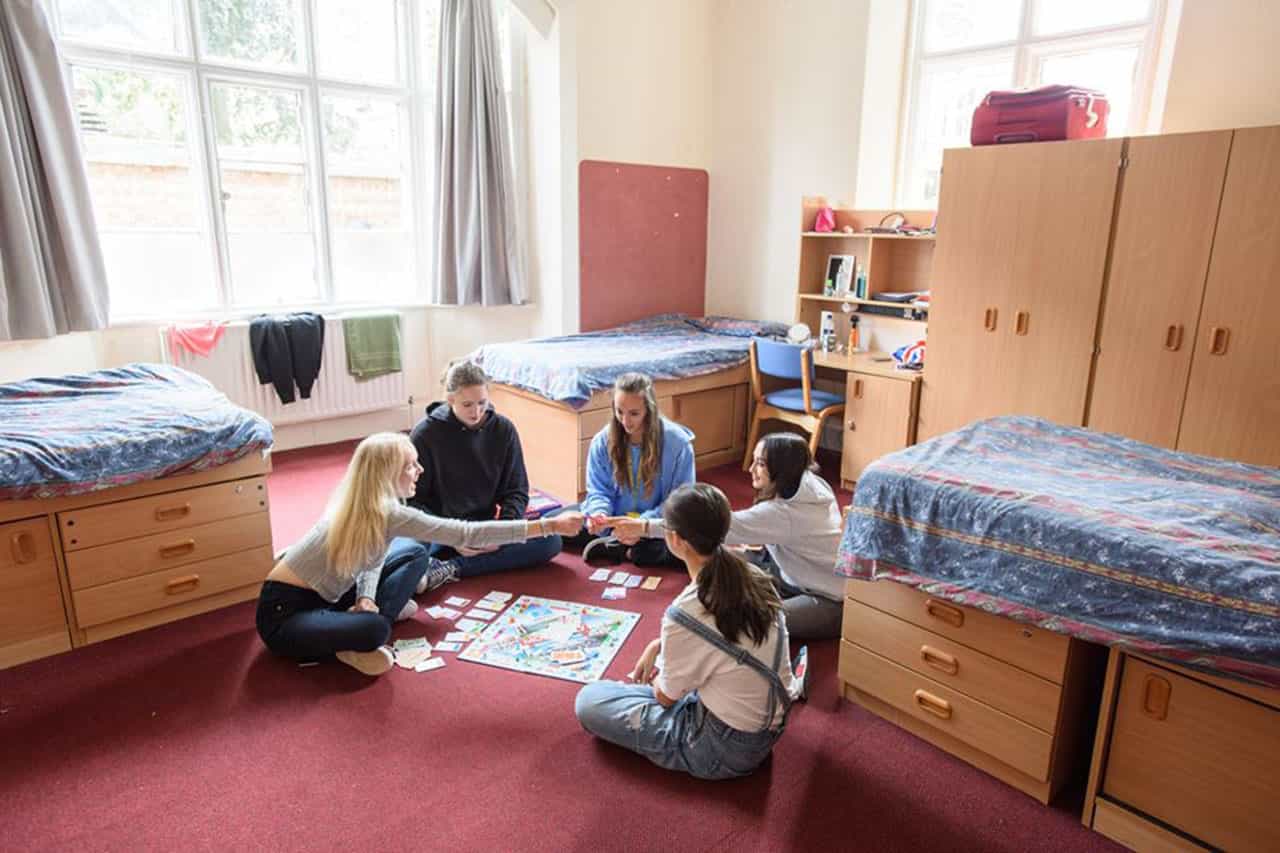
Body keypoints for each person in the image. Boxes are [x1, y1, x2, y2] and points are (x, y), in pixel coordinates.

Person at [255, 432, 582, 676]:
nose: (420, 470)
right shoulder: (382, 511)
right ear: (388, 473)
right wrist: (548, 525)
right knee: (376, 630)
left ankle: (358, 623)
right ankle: (358, 638)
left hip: (332, 594)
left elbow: (371, 558)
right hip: (285, 614)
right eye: (411, 465)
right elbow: (466, 534)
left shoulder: (375, 505)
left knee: (414, 554)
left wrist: (366, 597)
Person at [573, 483, 805, 779]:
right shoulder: (755, 576)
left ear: (674, 540)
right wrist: (659, 645)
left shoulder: (685, 611)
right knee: (673, 680)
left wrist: (663, 669)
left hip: (721, 748)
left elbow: (665, 698)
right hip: (768, 728)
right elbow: (721, 638)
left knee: (590, 701)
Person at [611, 432, 843, 640]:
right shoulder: (808, 481)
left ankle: (642, 550)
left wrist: (644, 527)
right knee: (711, 553)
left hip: (829, 599)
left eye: (760, 463)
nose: (751, 469)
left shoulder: (784, 514)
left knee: (750, 622)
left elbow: (711, 526)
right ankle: (642, 550)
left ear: (782, 469)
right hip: (787, 571)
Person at [403, 360, 561, 591]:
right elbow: (411, 502)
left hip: (485, 529)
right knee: (406, 549)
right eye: (467, 404)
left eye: (482, 403)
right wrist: (453, 536)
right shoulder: (424, 435)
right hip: (439, 531)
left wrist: (504, 531)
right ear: (450, 400)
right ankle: (447, 563)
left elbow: (516, 491)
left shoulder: (503, 430)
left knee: (551, 541)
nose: (476, 412)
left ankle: (451, 568)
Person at [574, 372, 695, 567]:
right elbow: (598, 491)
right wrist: (599, 515)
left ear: (649, 410)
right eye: (619, 411)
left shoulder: (678, 444)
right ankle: (623, 547)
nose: (625, 421)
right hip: (615, 521)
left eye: (634, 413)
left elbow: (679, 502)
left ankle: (620, 548)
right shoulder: (602, 441)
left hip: (655, 525)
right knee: (556, 523)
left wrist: (642, 526)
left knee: (692, 541)